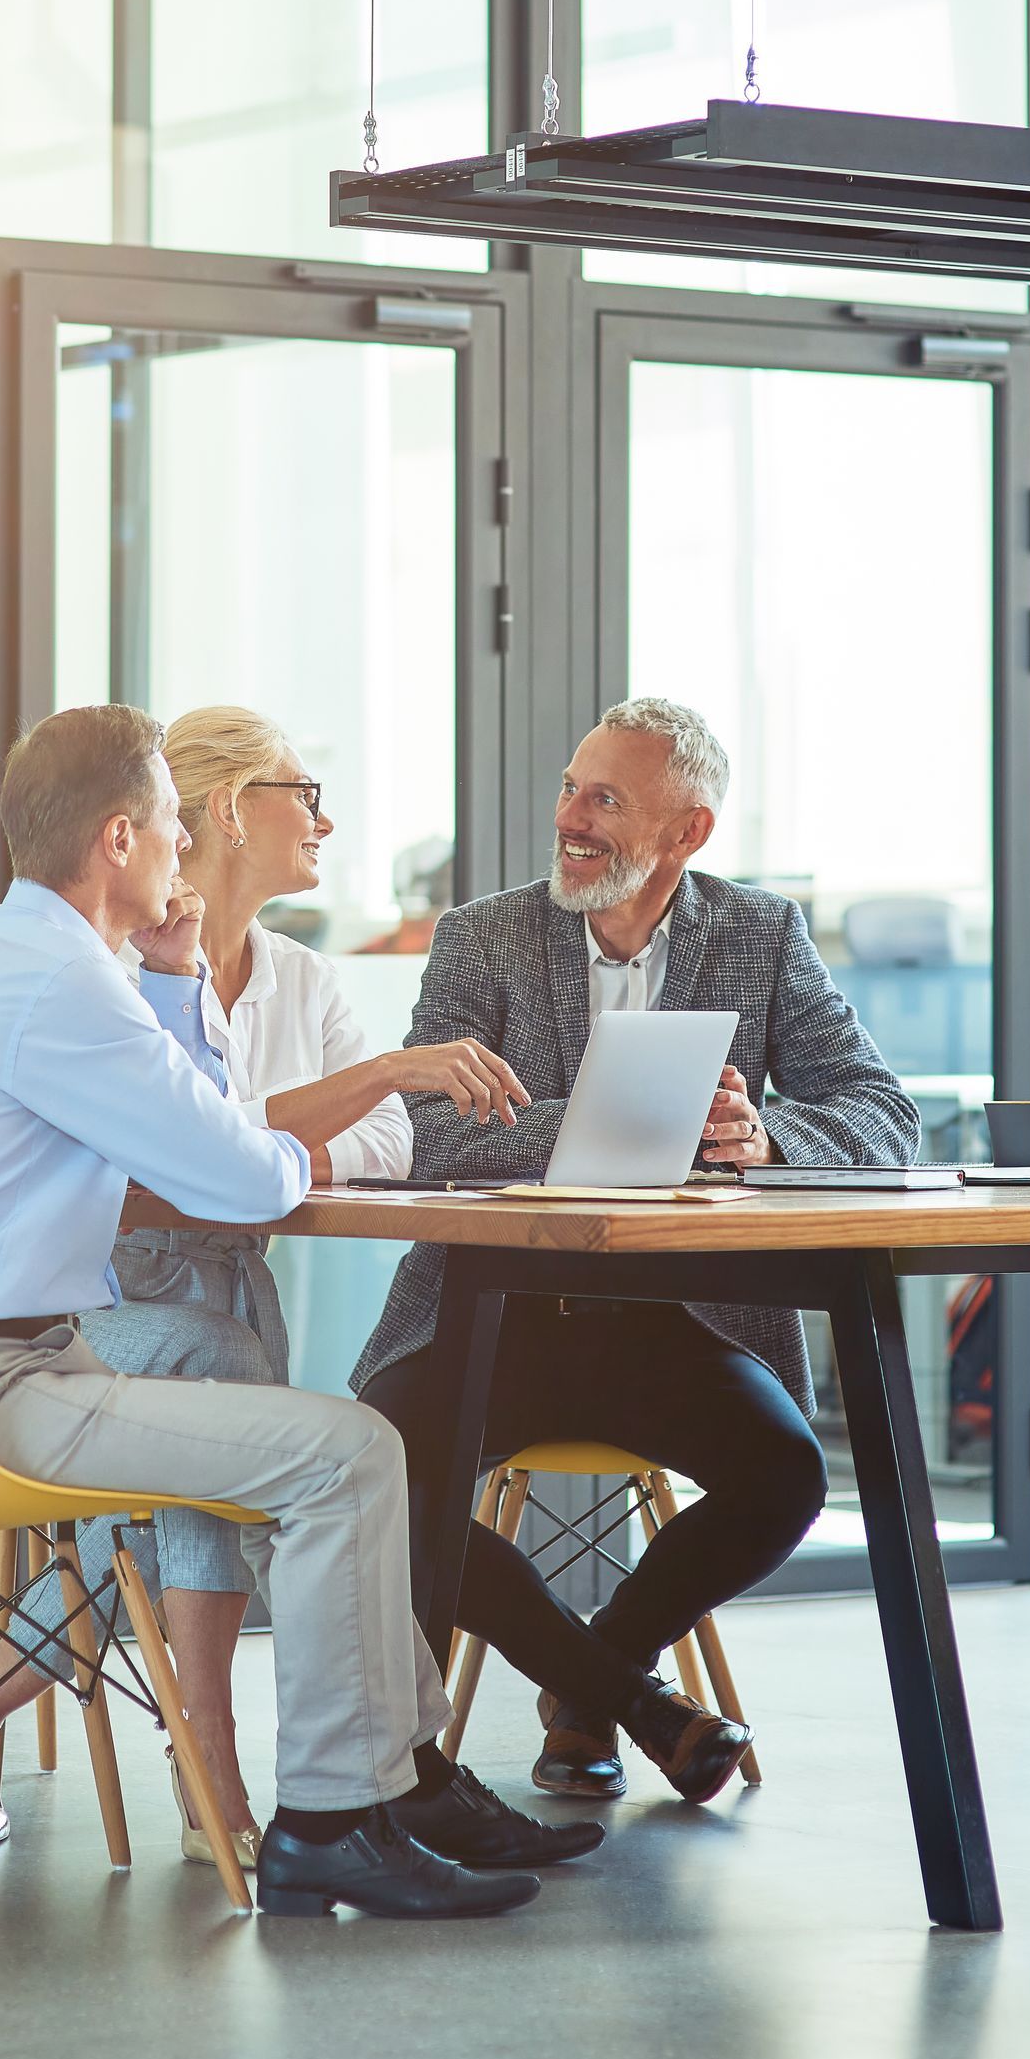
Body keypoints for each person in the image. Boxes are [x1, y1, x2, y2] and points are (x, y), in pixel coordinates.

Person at [0, 702, 589, 1922]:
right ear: (118, 840)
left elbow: (210, 1134)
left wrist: (175, 981)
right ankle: (338, 1817)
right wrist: (263, 1093)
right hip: (1, 1382)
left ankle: (365, 1798)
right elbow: (237, 1174)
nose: (174, 852)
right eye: (161, 828)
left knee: (280, 1404)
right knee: (349, 1450)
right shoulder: (65, 986)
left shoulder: (22, 960)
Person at [353, 695, 920, 1806]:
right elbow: (420, 1130)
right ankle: (633, 1702)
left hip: (678, 1323)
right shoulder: (484, 937)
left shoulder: (760, 937)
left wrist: (768, 1138)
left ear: (686, 832)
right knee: (385, 1474)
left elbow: (881, 1110)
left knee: (789, 1476)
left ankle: (589, 1687)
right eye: (570, 787)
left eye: (605, 798)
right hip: (492, 1315)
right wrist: (595, 1120)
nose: (570, 817)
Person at [0, 703, 509, 1870]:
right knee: (270, 1422)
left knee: (238, 1377)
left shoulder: (302, 976)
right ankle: (314, 1760)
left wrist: (280, 1149)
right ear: (222, 812)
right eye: (303, 790)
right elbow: (183, 1159)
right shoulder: (99, 972)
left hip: (214, 1293)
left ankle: (26, 1716)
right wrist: (339, 1101)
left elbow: (392, 1144)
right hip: (92, 1317)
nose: (325, 817)